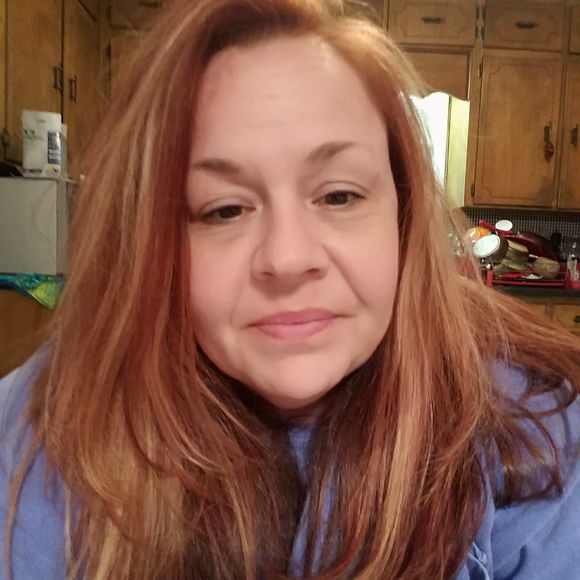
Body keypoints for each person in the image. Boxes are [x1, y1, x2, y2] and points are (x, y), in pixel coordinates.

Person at [1, 0, 579, 578]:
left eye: (339, 196)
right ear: (149, 241)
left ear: (403, 218)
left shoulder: (539, 422)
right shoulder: (45, 428)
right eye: (224, 209)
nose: (287, 258)